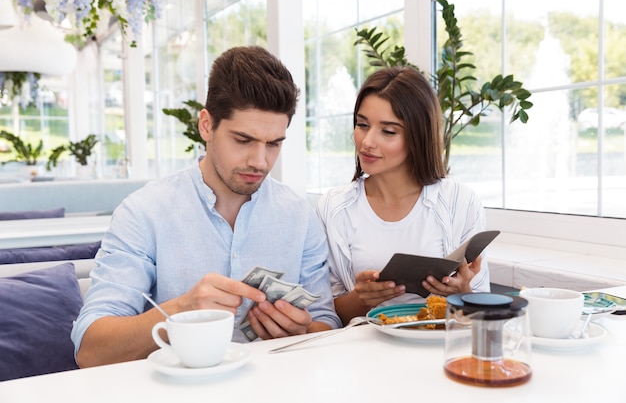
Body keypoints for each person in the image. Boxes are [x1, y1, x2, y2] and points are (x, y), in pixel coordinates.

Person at [71, 46, 341, 367]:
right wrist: (181, 311)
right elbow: (90, 349)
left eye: (273, 144)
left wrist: (302, 329)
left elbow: (326, 321)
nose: (259, 161)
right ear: (206, 125)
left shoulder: (299, 216)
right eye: (243, 140)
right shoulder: (144, 212)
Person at [316, 66, 490, 326]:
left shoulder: (460, 202)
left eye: (388, 131)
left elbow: (481, 311)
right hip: (363, 353)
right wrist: (361, 298)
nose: (367, 142)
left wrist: (461, 292)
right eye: (362, 125)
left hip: (438, 347)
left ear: (418, 137)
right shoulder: (333, 208)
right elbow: (324, 317)